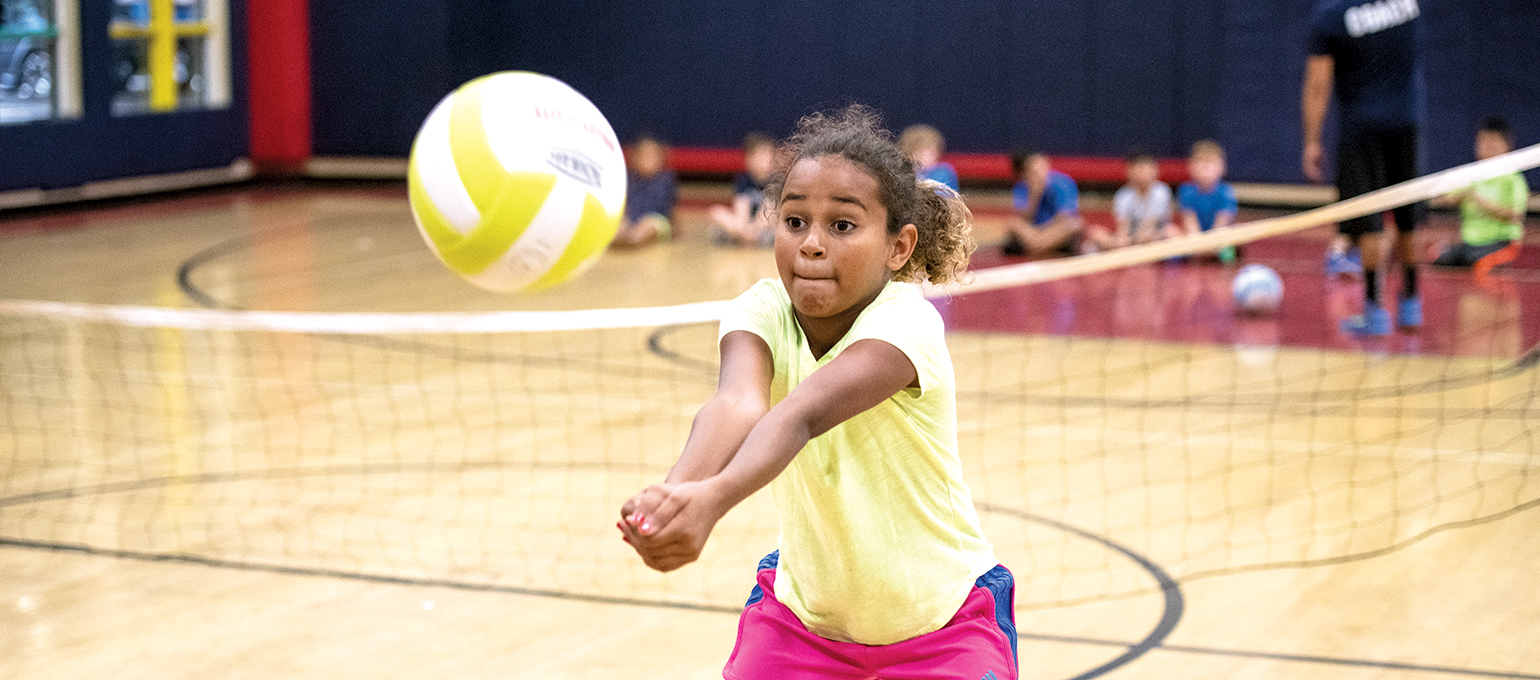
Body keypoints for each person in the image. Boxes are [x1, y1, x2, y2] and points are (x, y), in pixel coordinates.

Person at [616, 105, 1017, 680]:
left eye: (843, 226)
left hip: (944, 624)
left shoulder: (906, 322)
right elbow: (738, 404)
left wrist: (715, 498)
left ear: (898, 247)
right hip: (802, 625)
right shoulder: (761, 307)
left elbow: (798, 416)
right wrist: (676, 494)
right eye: (795, 221)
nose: (811, 244)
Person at [1302, 0, 1424, 334]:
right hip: (1407, 123)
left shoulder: (1332, 18)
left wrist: (1312, 139)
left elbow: (1317, 84)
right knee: (1407, 216)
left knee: (1369, 219)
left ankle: (1374, 312)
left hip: (1361, 127)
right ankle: (1412, 305)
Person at [1431, 117, 1529, 272]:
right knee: (1439, 259)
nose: (1487, 147)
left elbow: (1516, 215)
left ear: (1507, 146)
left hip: (1500, 242)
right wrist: (1457, 196)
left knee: (1479, 268)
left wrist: (1481, 201)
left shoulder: (1513, 178)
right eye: (1483, 142)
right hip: (1469, 243)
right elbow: (1440, 201)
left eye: (1493, 142)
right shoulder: (1471, 175)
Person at [1085, 148, 1172, 252]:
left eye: (1148, 167)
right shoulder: (1124, 195)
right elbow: (1123, 230)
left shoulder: (1161, 192)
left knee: (1171, 232)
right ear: (1130, 171)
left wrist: (1122, 243)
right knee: (1096, 233)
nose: (1144, 172)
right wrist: (1120, 241)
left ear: (1155, 170)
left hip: (1154, 237)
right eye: (1139, 168)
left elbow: (1148, 230)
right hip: (1131, 240)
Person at [1003, 147, 1082, 256]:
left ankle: (1038, 245)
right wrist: (1035, 194)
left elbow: (1064, 217)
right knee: (1012, 224)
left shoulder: (1064, 183)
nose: (1038, 171)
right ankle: (1042, 245)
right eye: (1032, 169)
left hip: (1054, 230)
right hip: (1033, 231)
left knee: (1074, 225)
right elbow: (1023, 218)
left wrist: (1044, 234)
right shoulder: (1022, 186)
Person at [1175, 139, 1240, 262]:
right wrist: (1198, 244)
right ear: (1191, 166)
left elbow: (1221, 226)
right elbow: (1190, 224)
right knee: (1171, 233)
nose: (1206, 167)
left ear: (1222, 167)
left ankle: (1214, 256)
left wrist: (1210, 245)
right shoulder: (1186, 191)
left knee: (1235, 235)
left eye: (1211, 162)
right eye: (1201, 162)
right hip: (1194, 240)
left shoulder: (1226, 192)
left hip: (1218, 239)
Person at [710, 132, 778, 247]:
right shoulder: (743, 181)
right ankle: (745, 236)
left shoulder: (777, 182)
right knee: (716, 212)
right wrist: (743, 228)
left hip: (766, 226)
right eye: (759, 157)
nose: (763, 162)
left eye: (767, 157)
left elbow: (772, 210)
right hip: (745, 225)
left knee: (771, 208)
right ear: (749, 159)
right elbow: (741, 207)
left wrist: (755, 228)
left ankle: (741, 236)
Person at [611, 134, 677, 248]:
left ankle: (635, 239)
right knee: (618, 225)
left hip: (656, 222)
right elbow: (622, 205)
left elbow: (673, 217)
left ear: (661, 158)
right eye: (644, 156)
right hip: (630, 221)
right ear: (634, 157)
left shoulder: (666, 180)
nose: (648, 161)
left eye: (652, 156)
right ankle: (619, 239)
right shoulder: (627, 179)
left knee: (648, 225)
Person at [899, 123, 960, 191]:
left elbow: (938, 194)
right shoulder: (904, 172)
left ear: (937, 153)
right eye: (918, 153)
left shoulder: (944, 172)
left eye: (928, 153)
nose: (922, 158)